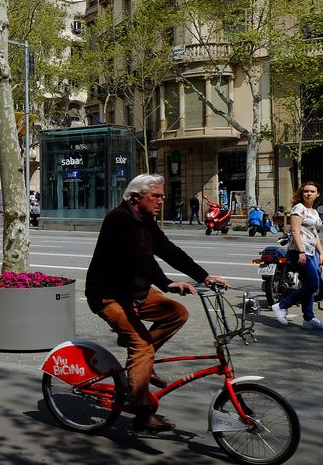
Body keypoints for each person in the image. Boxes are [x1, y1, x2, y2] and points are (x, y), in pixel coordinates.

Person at [86, 173, 230, 432]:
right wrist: (166, 284)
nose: (162, 200)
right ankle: (142, 413)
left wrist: (204, 277)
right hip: (108, 295)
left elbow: (169, 250)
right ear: (135, 197)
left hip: (136, 293)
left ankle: (142, 366)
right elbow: (138, 257)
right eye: (156, 196)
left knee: (177, 313)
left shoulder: (146, 221)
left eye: (163, 196)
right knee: (141, 346)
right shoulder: (119, 219)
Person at [270, 181, 323, 330]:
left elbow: (314, 234)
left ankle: (308, 318)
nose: (309, 194)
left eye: (312, 191)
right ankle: (281, 305)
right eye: (306, 191)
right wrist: (301, 251)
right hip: (299, 251)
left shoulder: (314, 212)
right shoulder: (299, 208)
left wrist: (321, 252)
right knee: (313, 284)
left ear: (317, 194)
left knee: (308, 285)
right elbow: (294, 231)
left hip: (311, 252)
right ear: (302, 193)